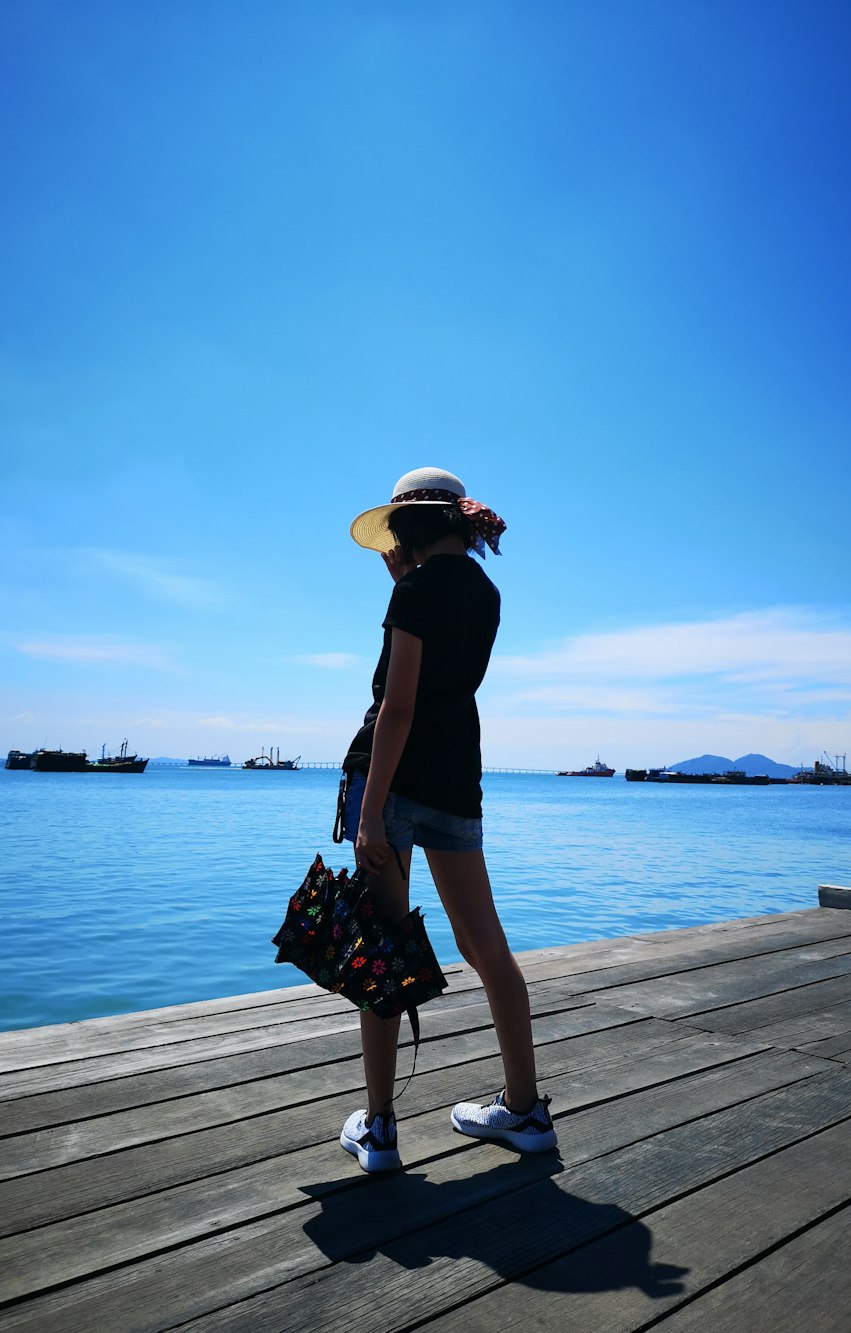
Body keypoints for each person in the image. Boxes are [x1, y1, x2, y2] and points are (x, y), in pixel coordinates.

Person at [337, 466, 557, 1173]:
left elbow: (399, 705)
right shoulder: (482, 591)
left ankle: (378, 1128)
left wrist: (370, 811)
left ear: (406, 528)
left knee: (384, 952)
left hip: (394, 782)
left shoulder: (418, 591)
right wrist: (406, 588)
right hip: (457, 779)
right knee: (486, 943)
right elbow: (444, 684)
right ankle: (524, 1108)